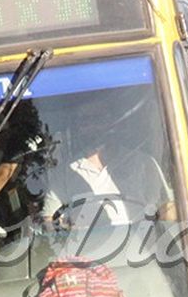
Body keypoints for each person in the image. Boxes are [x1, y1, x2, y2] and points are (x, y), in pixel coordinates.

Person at [38, 93, 175, 229]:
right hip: (84, 249)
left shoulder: (143, 163)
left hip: (140, 247)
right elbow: (47, 218)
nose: (93, 127)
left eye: (99, 119)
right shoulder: (67, 171)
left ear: (112, 123)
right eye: (86, 121)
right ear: (78, 127)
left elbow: (168, 208)